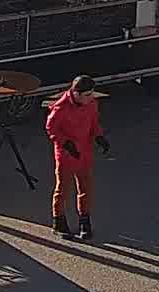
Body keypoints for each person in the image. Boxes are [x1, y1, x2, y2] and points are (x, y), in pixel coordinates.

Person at [44, 74, 111, 239]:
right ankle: (59, 221)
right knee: (63, 189)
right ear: (76, 93)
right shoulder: (61, 107)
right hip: (67, 155)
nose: (91, 98)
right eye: (87, 95)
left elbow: (94, 124)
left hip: (84, 152)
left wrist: (99, 137)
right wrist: (66, 143)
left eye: (92, 94)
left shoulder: (91, 104)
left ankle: (84, 221)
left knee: (86, 188)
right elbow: (51, 128)